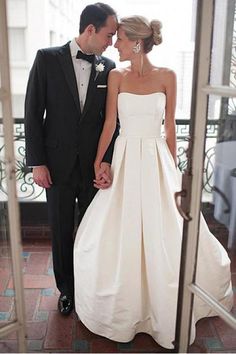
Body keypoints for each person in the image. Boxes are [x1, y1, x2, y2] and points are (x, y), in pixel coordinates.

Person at [73, 15, 233, 349]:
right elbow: (110, 125)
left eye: (119, 39)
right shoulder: (116, 76)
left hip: (157, 158)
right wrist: (99, 160)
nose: (114, 44)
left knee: (167, 226)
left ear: (135, 42)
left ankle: (165, 303)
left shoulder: (168, 76)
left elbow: (171, 126)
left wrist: (174, 169)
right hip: (126, 155)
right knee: (118, 225)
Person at [24, 3, 119, 316]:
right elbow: (33, 112)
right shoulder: (46, 58)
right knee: (62, 230)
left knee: (94, 231)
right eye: (109, 34)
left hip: (93, 167)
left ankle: (91, 289)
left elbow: (112, 120)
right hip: (57, 165)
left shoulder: (109, 65)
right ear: (90, 29)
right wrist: (38, 163)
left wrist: (105, 160)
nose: (112, 41)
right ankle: (67, 291)